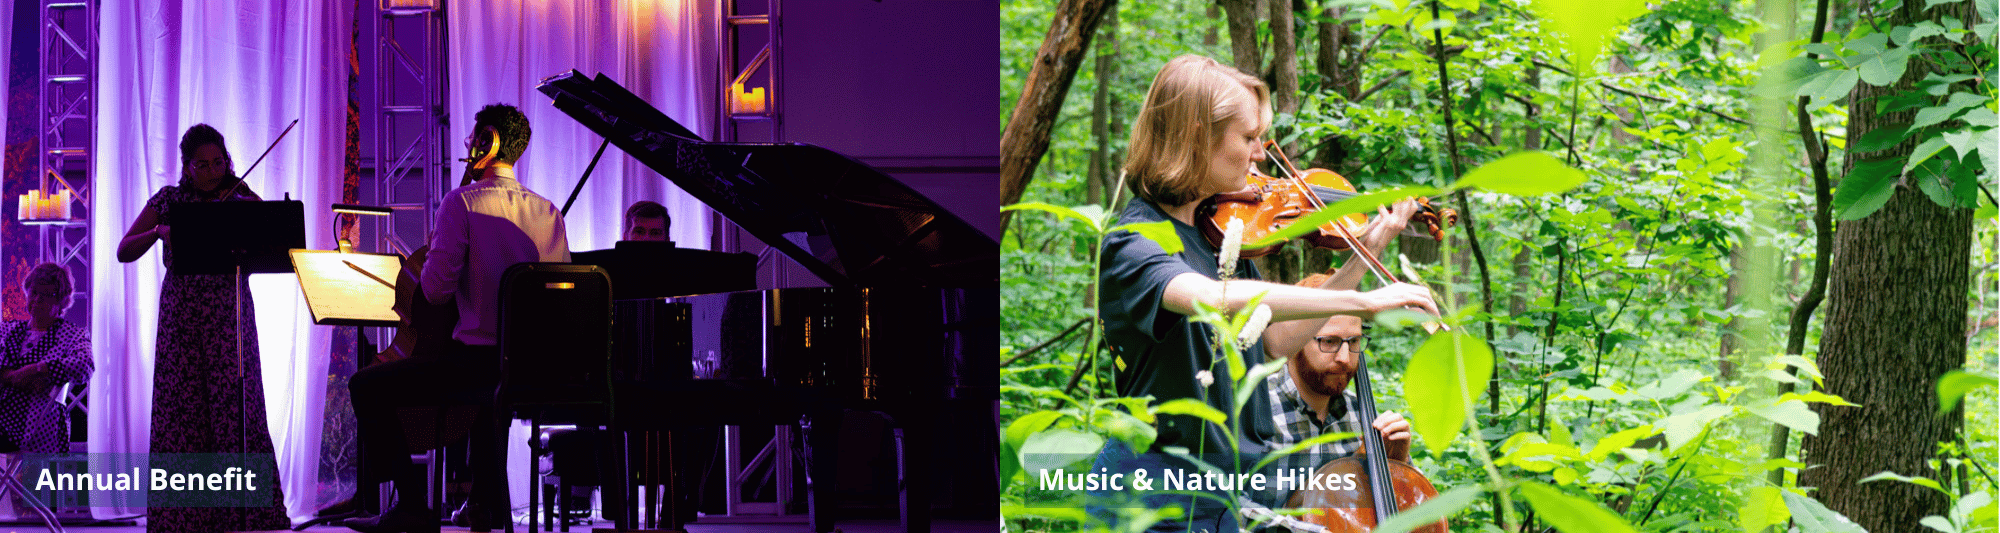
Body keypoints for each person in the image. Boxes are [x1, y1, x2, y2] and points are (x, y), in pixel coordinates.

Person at [1088, 54, 1435, 533]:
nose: (1259, 155)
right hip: (1149, 498)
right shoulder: (1134, 241)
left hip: (1224, 496)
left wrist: (1362, 257)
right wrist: (1367, 303)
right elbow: (1208, 297)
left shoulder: (1220, 236)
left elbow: (1272, 342)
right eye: (1249, 138)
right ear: (1196, 135)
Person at [344, 104, 570, 533]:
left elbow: (434, 292)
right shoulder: (548, 211)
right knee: (487, 393)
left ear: (488, 140)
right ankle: (484, 503)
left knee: (366, 385)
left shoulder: (461, 203)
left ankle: (410, 505)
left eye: (472, 138)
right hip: (532, 368)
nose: (468, 146)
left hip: (476, 364)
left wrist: (437, 250)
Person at [116, 124, 290, 533]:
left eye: (219, 163)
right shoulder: (170, 200)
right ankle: (186, 517)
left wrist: (252, 212)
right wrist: (159, 231)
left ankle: (246, 514)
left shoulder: (241, 197)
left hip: (229, 320)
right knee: (183, 413)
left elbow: (275, 239)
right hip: (182, 320)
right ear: (187, 168)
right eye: (203, 165)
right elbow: (125, 249)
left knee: (237, 412)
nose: (213, 172)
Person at [1261, 274, 1414, 507]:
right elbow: (1224, 509)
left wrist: (1395, 464)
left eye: (1353, 342)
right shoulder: (1254, 410)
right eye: (1329, 342)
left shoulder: (1364, 416)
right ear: (1293, 338)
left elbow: (1405, 514)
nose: (1344, 358)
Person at [0, 263, 92, 455]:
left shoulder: (72, 335)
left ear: (61, 301)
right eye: (34, 292)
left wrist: (38, 369)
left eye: (46, 295)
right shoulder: (7, 329)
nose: (38, 299)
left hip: (38, 424)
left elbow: (85, 365)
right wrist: (14, 378)